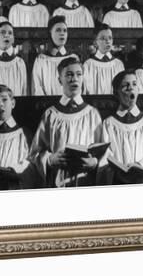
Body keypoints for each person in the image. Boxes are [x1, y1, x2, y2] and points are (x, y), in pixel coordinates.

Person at [29, 57, 103, 187]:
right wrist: (50, 159)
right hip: (58, 179)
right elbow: (35, 153)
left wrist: (95, 162)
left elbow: (104, 152)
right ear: (60, 80)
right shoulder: (51, 114)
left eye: (78, 74)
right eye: (69, 75)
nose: (74, 79)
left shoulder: (92, 113)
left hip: (85, 181)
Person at [98, 70, 143, 184]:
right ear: (116, 93)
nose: (131, 88)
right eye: (125, 86)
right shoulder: (109, 124)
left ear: (138, 90)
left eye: (134, 84)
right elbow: (105, 158)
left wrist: (140, 165)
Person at [32, 16, 79, 96]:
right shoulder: (41, 59)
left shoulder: (73, 58)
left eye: (65, 31)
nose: (62, 33)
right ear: (50, 33)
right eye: (58, 30)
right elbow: (37, 87)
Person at [83, 24, 125, 95]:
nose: (108, 41)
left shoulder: (118, 64)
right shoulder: (88, 64)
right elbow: (85, 90)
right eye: (103, 38)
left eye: (110, 38)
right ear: (95, 42)